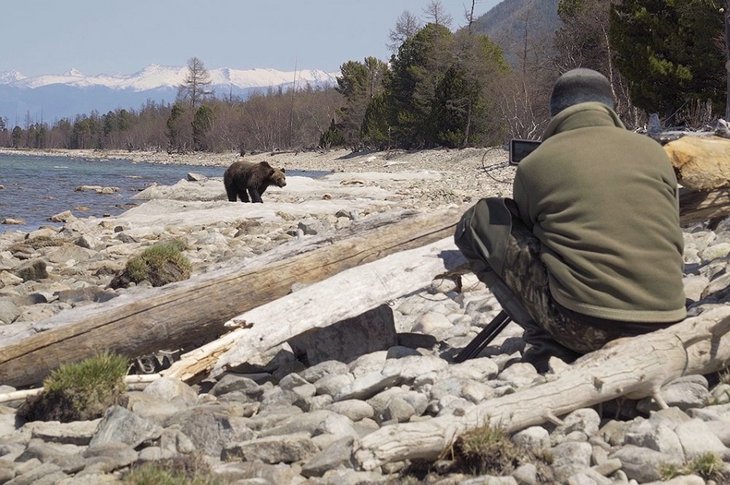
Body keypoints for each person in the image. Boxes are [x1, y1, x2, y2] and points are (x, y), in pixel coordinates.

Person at [455, 68, 686, 371]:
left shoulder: (536, 163)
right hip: (668, 322)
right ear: (611, 109)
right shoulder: (654, 153)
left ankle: (545, 339)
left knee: (478, 219)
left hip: (584, 330)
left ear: (555, 114)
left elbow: (531, 234)